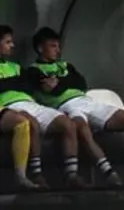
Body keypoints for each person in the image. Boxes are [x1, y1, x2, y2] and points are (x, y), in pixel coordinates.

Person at [28, 27, 124, 187]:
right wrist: (65, 84)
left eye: (58, 46)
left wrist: (60, 83)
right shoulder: (33, 70)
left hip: (86, 100)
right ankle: (109, 173)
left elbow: (81, 83)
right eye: (53, 46)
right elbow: (49, 90)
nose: (57, 50)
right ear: (40, 48)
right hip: (65, 106)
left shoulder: (67, 66)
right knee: (83, 130)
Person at [0, 26, 85, 188]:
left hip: (30, 102)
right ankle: (37, 174)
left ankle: (72, 174)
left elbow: (28, 86)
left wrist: (8, 83)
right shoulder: (27, 70)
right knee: (31, 122)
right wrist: (14, 83)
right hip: (9, 106)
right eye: (8, 42)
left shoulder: (16, 67)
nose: (12, 45)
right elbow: (19, 83)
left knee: (68, 123)